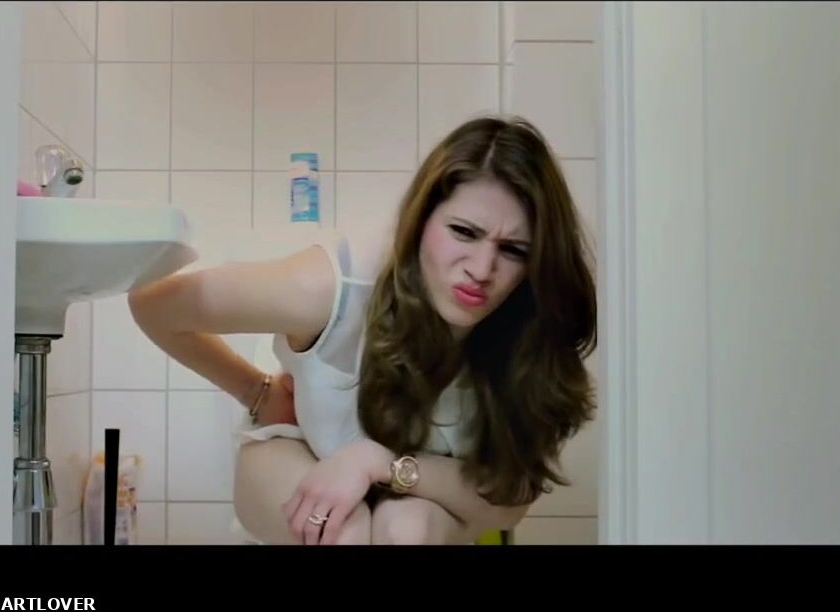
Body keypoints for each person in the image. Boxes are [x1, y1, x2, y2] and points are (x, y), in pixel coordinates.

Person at [128, 115, 597, 545]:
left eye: (513, 250)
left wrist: (380, 464)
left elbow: (510, 503)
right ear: (420, 221)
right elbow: (153, 305)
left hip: (417, 487)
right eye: (463, 232)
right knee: (344, 532)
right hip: (296, 455)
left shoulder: (529, 330)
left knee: (408, 531)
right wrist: (256, 390)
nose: (481, 269)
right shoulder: (330, 288)